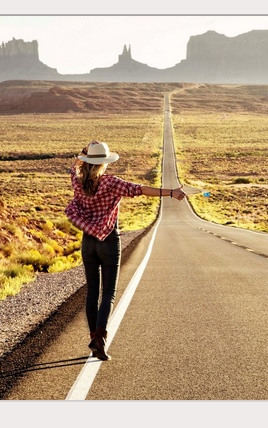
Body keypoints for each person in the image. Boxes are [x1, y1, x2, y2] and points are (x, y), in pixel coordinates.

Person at [65, 140, 186, 360]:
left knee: (92, 291)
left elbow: (73, 168)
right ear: (104, 163)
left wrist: (83, 154)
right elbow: (141, 190)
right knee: (108, 293)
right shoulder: (112, 183)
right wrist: (171, 192)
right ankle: (99, 340)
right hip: (109, 241)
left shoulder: (77, 182)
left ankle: (94, 337)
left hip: (88, 243)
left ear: (88, 161)